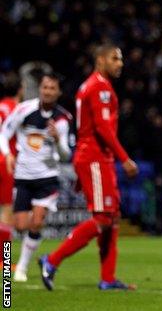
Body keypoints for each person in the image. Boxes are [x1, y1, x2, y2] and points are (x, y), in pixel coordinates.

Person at [39, 44, 139, 290]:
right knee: (103, 218)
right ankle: (51, 260)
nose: (120, 63)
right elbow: (103, 129)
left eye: (121, 59)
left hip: (95, 158)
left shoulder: (90, 86)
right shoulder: (100, 88)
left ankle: (107, 279)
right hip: (94, 157)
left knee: (112, 217)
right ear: (100, 60)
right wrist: (124, 158)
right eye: (115, 58)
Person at [0, 75, 71, 282]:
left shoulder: (63, 119)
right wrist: (7, 154)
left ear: (58, 92)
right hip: (23, 175)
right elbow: (4, 133)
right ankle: (16, 256)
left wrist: (58, 141)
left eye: (52, 88)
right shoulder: (24, 109)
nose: (48, 91)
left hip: (47, 177)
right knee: (20, 225)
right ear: (40, 89)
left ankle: (20, 267)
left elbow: (66, 154)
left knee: (37, 221)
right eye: (45, 87)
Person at [0, 77, 23, 245]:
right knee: (7, 211)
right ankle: (4, 260)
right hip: (8, 163)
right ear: (20, 90)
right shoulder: (19, 110)